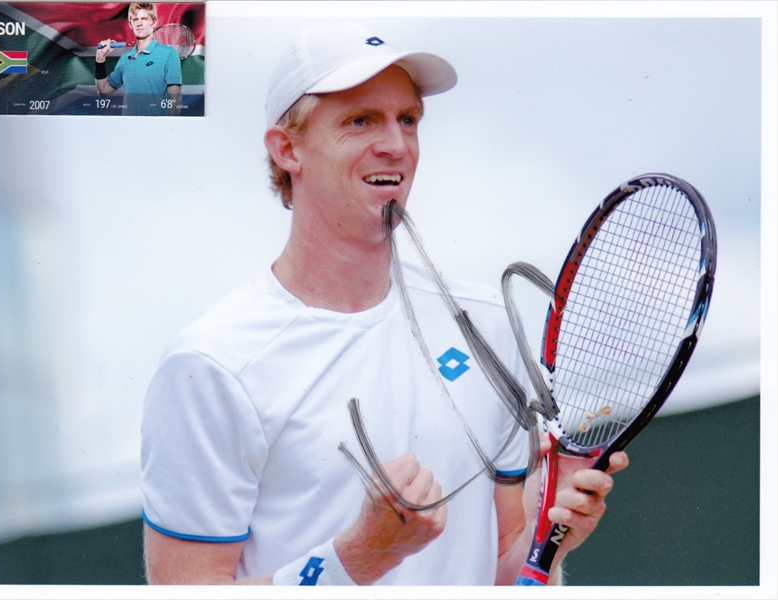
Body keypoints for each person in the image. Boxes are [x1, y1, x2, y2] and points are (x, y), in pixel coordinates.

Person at [140, 23, 628, 586]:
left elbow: (496, 569)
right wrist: (357, 557)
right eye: (361, 120)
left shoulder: (489, 326)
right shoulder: (211, 365)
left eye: (408, 120)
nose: (396, 144)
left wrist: (550, 536)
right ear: (287, 149)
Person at [95, 2, 181, 116]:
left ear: (154, 22)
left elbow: (175, 102)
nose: (139, 23)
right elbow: (103, 91)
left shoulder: (169, 53)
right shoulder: (125, 59)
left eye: (144, 19)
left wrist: (167, 126)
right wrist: (100, 58)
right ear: (130, 24)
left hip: (155, 126)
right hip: (128, 126)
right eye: (135, 19)